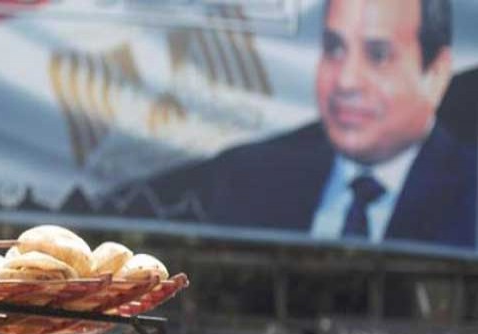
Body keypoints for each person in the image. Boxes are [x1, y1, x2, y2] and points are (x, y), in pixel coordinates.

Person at [200, 0, 475, 249]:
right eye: (334, 48)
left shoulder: (469, 195)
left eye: (378, 55)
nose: (346, 80)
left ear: (436, 74)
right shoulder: (248, 179)